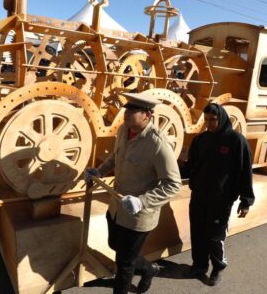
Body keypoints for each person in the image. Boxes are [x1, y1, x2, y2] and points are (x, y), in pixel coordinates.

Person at [86, 93, 181, 294]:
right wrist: (99, 171)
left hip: (139, 214)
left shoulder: (157, 143)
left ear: (147, 115)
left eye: (131, 111)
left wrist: (142, 201)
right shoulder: (124, 130)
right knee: (115, 245)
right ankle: (150, 268)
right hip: (117, 206)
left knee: (125, 263)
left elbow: (173, 184)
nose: (126, 114)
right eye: (126, 110)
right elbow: (116, 156)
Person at [185, 103, 254, 286]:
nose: (209, 123)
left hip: (222, 199)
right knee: (198, 231)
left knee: (215, 236)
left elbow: (245, 171)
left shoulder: (236, 141)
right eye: (206, 119)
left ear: (221, 118)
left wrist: (246, 200)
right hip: (199, 195)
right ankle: (199, 265)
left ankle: (218, 267)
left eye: (213, 119)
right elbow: (190, 166)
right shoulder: (200, 140)